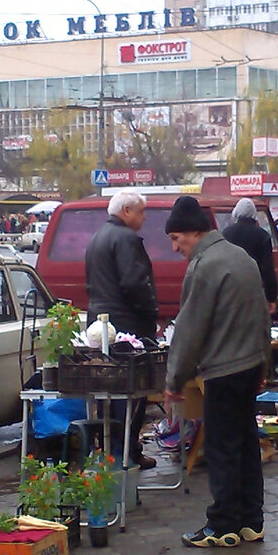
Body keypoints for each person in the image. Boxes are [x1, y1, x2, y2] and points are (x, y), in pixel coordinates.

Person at [162, 196, 271, 548]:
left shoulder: (204, 265)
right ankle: (251, 521)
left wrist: (174, 380)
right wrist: (263, 365)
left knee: (223, 447)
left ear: (195, 232)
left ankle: (222, 525)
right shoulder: (241, 257)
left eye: (177, 239)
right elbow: (262, 316)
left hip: (223, 369)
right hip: (249, 364)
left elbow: (190, 329)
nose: (175, 247)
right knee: (245, 442)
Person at [84, 190, 159, 470]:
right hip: (127, 325)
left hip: (101, 324)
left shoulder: (97, 237)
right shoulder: (126, 239)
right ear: (126, 211)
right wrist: (152, 313)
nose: (143, 217)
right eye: (140, 211)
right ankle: (126, 450)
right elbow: (134, 284)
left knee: (109, 392)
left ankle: (114, 450)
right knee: (132, 393)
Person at [222, 198, 278, 317]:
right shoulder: (262, 236)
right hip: (254, 292)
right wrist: (271, 297)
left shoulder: (226, 233)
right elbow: (268, 270)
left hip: (229, 292)